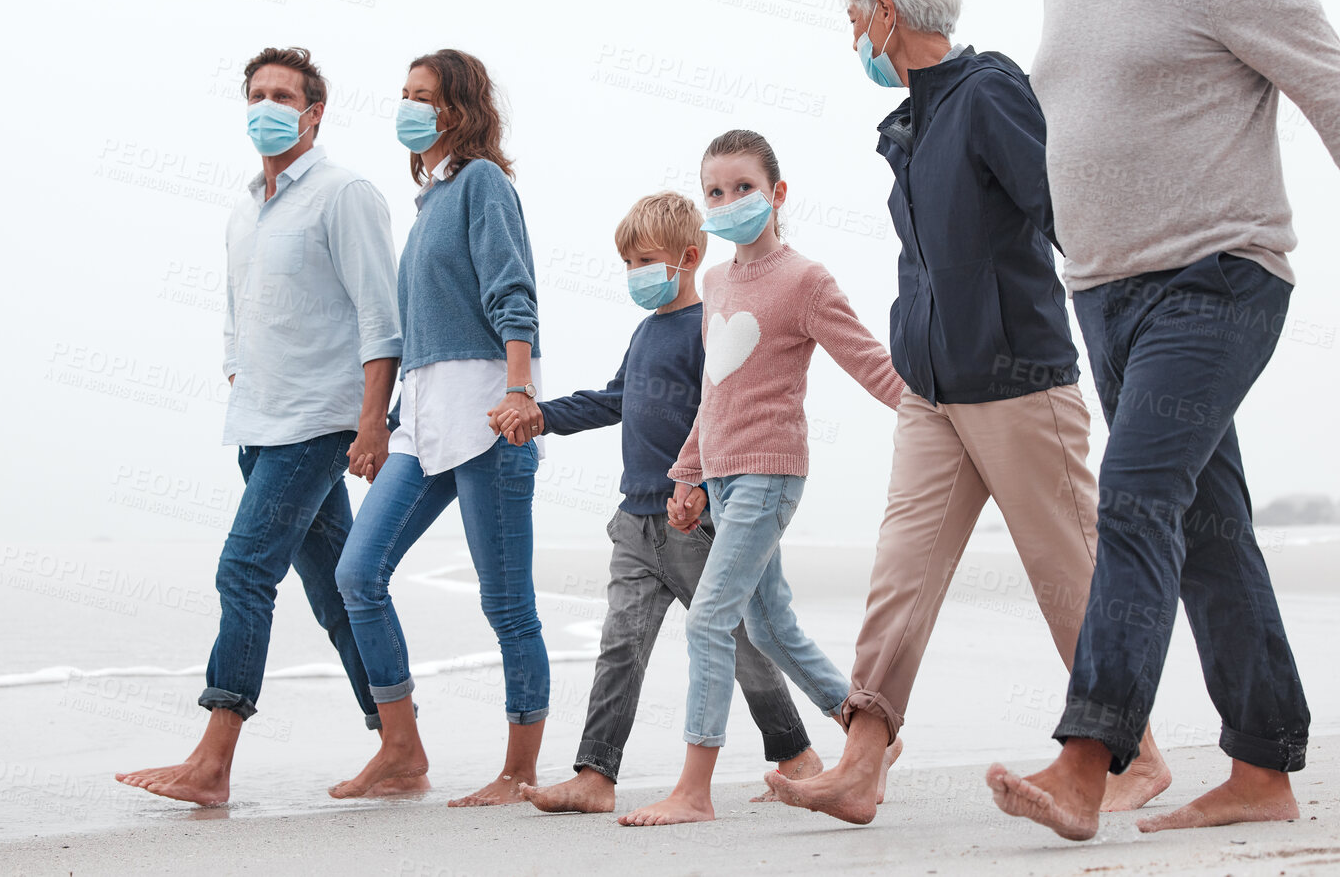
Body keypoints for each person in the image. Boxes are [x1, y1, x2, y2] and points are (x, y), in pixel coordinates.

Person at [986, 0, 1340, 841]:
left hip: (1217, 279)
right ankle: (1262, 766)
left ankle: (1088, 758)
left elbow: (1328, 78)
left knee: (1136, 498)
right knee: (1212, 528)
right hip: (1108, 297)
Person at [769, 0, 1169, 825]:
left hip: (1018, 379)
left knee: (1069, 573)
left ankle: (1132, 758)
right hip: (933, 392)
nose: (852, 41)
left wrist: (1138, 326)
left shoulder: (987, 90)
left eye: (853, 22)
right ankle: (861, 765)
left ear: (886, 14)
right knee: (900, 574)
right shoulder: (911, 122)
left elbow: (1064, 209)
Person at [117, 46, 402, 805]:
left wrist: (370, 422)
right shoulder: (244, 209)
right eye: (256, 93)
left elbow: (382, 318)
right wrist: (239, 376)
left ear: (314, 112)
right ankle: (400, 746)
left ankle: (213, 759)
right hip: (257, 425)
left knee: (242, 572)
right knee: (339, 592)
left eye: (283, 95)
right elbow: (235, 317)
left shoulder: (345, 194)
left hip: (317, 425)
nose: (267, 105)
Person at [620, 130, 906, 827]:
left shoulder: (805, 279)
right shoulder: (715, 281)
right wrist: (685, 475)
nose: (726, 201)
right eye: (714, 190)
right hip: (718, 477)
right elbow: (714, 394)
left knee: (709, 620)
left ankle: (693, 789)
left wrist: (937, 418)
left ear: (776, 194)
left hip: (770, 474)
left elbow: (871, 363)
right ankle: (871, 738)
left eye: (742, 187)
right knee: (769, 625)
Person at [502, 192, 822, 815]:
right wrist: (541, 416)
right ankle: (596, 775)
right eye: (626, 262)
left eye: (644, 259)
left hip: (693, 520)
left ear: (688, 257)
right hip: (635, 522)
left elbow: (721, 413)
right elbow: (613, 398)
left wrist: (699, 485)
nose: (634, 274)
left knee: (737, 640)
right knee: (620, 643)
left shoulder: (710, 327)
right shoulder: (647, 330)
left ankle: (796, 755)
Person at [330, 49, 551, 807]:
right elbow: (421, 330)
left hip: (491, 415)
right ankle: (401, 748)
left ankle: (519, 770)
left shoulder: (482, 183)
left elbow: (511, 290)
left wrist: (520, 388)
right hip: (424, 424)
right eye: (403, 93)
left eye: (422, 96)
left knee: (506, 602)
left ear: (455, 110)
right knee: (358, 573)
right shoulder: (429, 203)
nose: (407, 106)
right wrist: (387, 423)